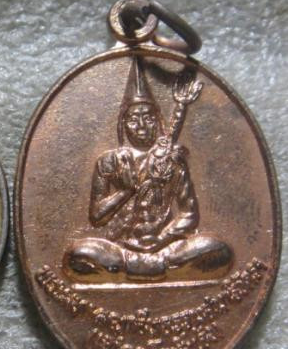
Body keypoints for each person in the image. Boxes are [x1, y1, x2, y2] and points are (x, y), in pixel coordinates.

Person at [64, 57, 232, 279]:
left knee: (217, 250)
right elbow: (97, 217)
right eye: (134, 120)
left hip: (166, 250)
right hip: (121, 250)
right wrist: (126, 190)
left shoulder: (172, 160)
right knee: (78, 255)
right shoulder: (109, 161)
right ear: (123, 124)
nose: (142, 126)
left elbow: (189, 214)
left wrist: (162, 238)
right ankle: (145, 268)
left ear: (158, 121)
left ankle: (148, 267)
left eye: (148, 119)